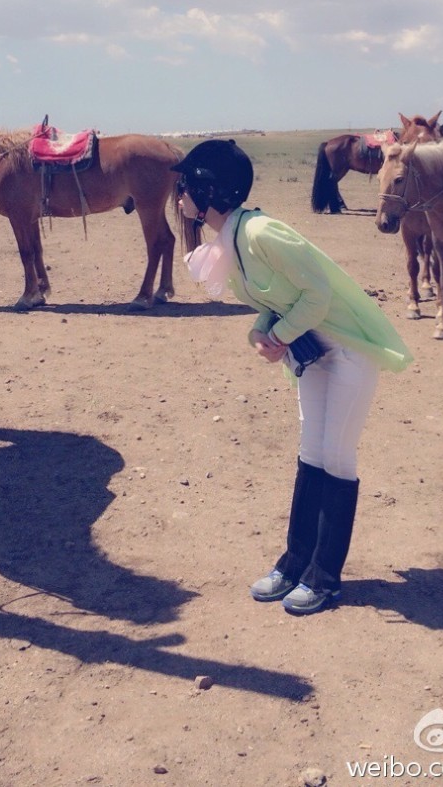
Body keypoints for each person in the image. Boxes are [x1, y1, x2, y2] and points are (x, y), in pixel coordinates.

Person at [172, 138, 413, 616]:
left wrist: (278, 333)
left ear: (207, 191)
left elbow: (317, 295)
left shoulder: (262, 233)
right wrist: (261, 332)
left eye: (184, 188)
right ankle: (294, 562)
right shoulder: (231, 241)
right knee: (310, 451)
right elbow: (275, 301)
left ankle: (325, 576)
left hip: (348, 349)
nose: (178, 198)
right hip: (313, 352)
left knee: (336, 456)